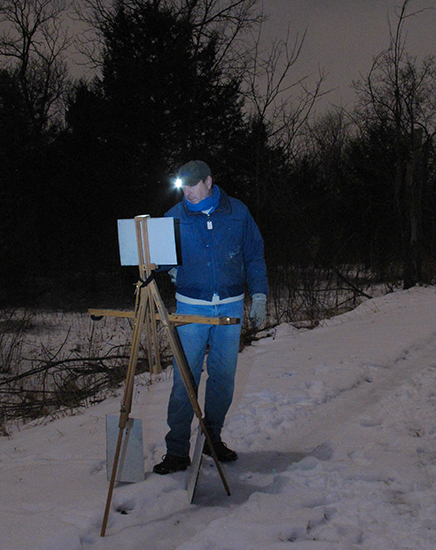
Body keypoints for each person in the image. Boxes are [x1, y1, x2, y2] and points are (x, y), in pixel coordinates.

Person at [153, 160, 268, 475]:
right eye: (183, 187)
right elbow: (159, 261)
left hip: (230, 307)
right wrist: (161, 264)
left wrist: (259, 295)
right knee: (184, 380)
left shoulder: (237, 212)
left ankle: (211, 438)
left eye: (192, 185)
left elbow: (254, 255)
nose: (187, 193)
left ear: (208, 181)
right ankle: (177, 451)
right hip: (190, 307)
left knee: (222, 379)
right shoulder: (174, 217)